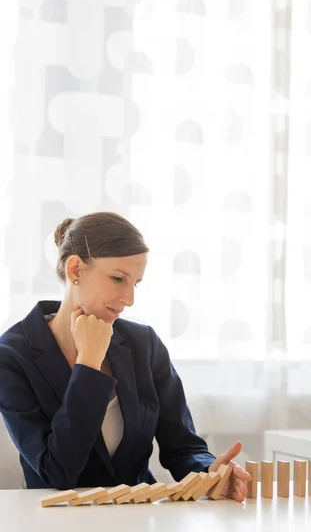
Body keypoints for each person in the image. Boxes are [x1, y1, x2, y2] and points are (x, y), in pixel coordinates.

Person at [0, 212, 250, 501]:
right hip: (57, 520)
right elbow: (57, 473)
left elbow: (183, 447)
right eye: (118, 278)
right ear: (76, 270)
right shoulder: (12, 357)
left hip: (138, 517)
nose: (129, 299)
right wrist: (89, 364)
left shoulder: (144, 344)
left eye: (136, 283)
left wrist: (210, 473)